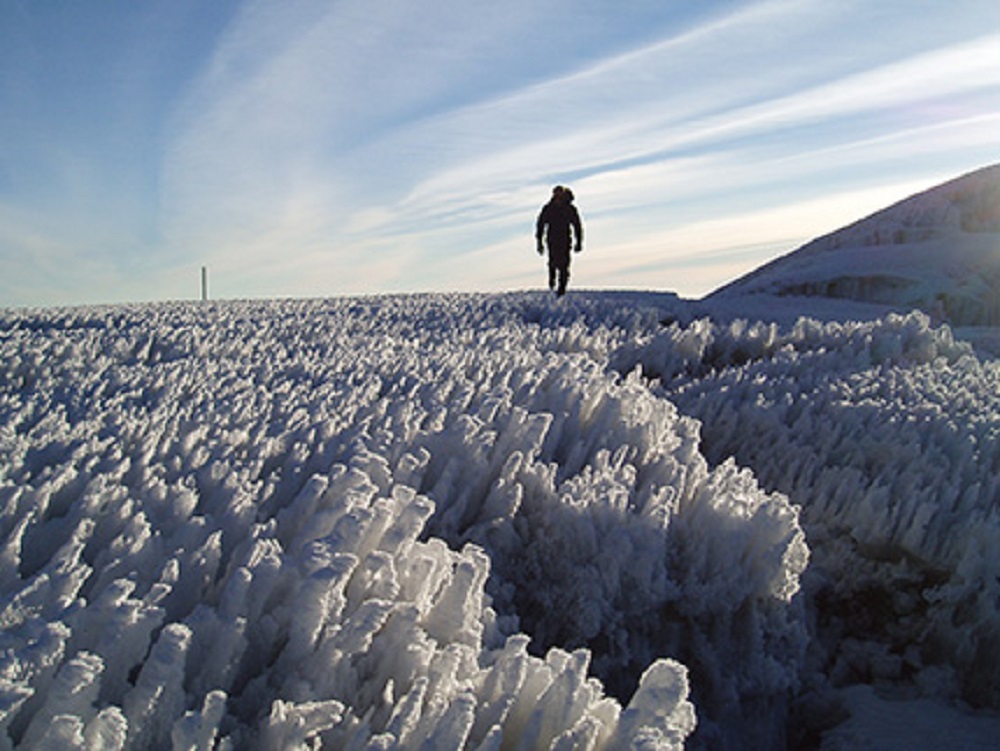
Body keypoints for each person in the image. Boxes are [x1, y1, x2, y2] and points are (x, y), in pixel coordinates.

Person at [535, 185, 583, 296]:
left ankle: (561, 290)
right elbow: (540, 225)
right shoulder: (548, 208)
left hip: (565, 240)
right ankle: (552, 282)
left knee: (564, 265)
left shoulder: (570, 209)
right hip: (552, 240)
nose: (557, 196)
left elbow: (577, 226)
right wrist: (539, 242)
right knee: (552, 263)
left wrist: (579, 242)